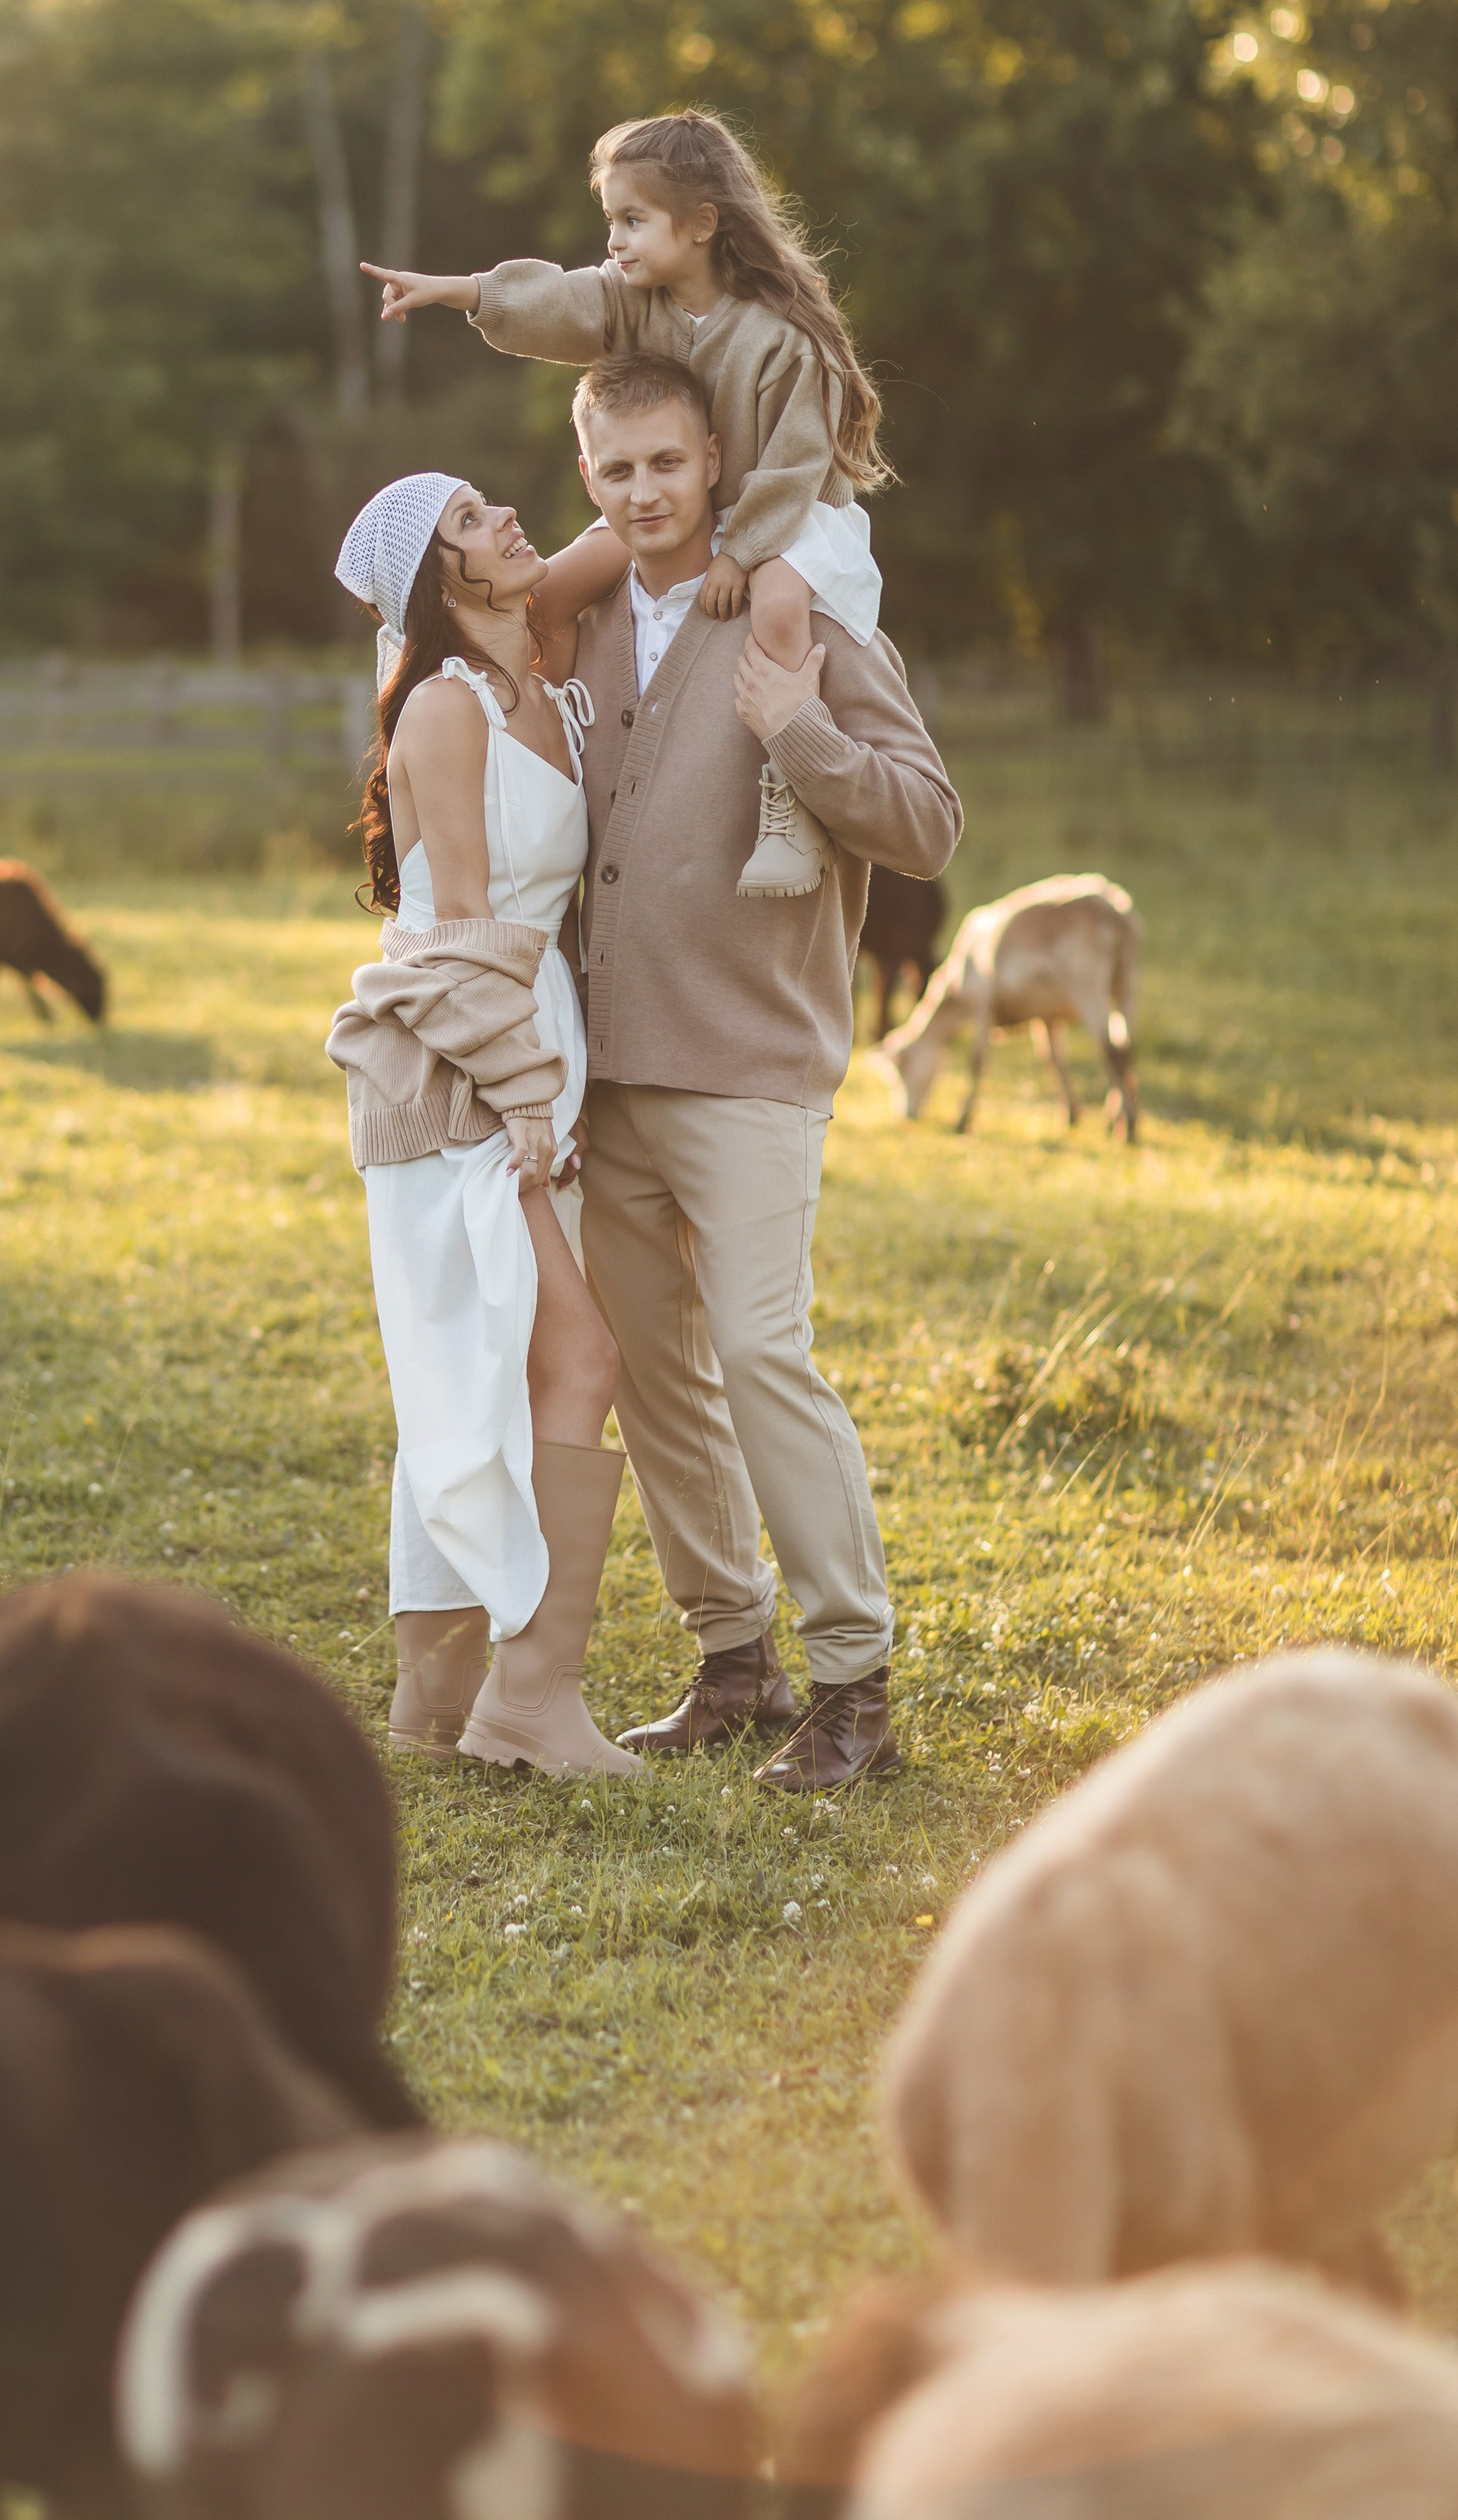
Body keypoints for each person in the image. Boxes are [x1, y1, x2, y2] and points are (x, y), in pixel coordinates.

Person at [565, 351, 962, 1789]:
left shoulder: (808, 613)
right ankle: (733, 1658)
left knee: (759, 1352)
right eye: (615, 471)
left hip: (751, 1067)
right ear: (590, 479)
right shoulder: (590, 617)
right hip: (605, 1078)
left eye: (666, 463)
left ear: (715, 464)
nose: (643, 492)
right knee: (649, 1372)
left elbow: (926, 823)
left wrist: (794, 724)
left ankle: (854, 1685)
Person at [362, 106, 890, 904]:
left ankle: (789, 807)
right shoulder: (635, 299)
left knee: (779, 607)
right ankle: (558, 751)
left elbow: (792, 467)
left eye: (632, 220)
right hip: (675, 509)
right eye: (610, 219)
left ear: (702, 224)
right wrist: (465, 292)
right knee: (551, 591)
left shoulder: (782, 340)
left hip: (784, 520)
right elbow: (565, 300)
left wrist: (739, 553)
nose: (613, 240)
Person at [325, 472, 636, 1780]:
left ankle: (433, 1700)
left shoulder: (543, 675)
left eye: (488, 500)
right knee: (559, 1359)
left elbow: (642, 513)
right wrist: (523, 1097)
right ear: (442, 588)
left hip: (532, 1052)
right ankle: (530, 1699)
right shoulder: (448, 711)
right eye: (469, 524)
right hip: (463, 1067)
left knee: (485, 1365)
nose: (505, 518)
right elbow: (454, 937)